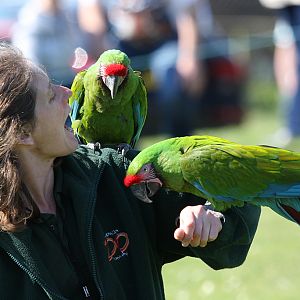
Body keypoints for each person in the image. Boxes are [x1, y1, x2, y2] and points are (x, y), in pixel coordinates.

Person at [0, 42, 260, 299]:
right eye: (49, 95)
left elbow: (240, 199)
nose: (68, 92)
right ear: (22, 132)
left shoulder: (118, 174)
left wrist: (213, 219)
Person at [11, 0, 81, 88]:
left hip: (68, 77)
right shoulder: (29, 22)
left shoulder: (65, 16)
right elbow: (30, 63)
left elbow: (76, 48)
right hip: (47, 84)